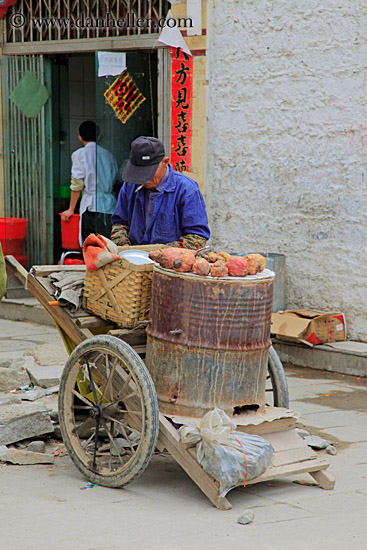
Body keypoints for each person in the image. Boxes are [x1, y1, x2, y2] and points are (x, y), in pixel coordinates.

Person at [110, 136, 210, 249]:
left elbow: (197, 237)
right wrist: (125, 246)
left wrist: (162, 253)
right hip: (134, 259)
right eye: (138, 173)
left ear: (165, 162)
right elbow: (120, 223)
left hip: (171, 264)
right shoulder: (130, 185)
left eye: (148, 173)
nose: (143, 179)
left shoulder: (187, 190)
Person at [61, 121, 118, 245]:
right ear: (99, 136)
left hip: (90, 207)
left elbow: (77, 184)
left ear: (80, 137)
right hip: (110, 206)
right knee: (107, 246)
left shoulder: (79, 154)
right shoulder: (109, 155)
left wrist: (71, 209)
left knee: (91, 247)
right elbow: (115, 180)